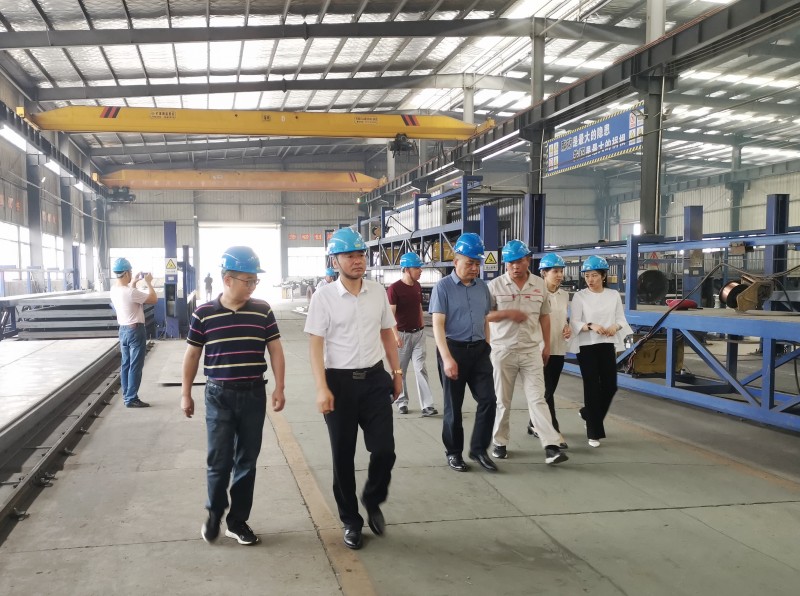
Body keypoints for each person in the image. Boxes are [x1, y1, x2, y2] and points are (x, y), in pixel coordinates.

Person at [181, 246, 286, 546]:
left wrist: (279, 387)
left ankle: (237, 522)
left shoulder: (262, 310)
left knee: (247, 461)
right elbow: (192, 355)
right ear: (227, 280)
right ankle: (214, 513)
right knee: (219, 460)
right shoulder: (203, 314)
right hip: (219, 396)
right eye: (247, 280)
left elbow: (275, 350)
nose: (252, 286)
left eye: (255, 281)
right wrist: (186, 393)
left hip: (254, 394)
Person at [305, 228, 402, 551]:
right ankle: (351, 520)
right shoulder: (323, 297)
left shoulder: (377, 292)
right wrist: (321, 388)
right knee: (343, 457)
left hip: (375, 380)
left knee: (385, 450)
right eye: (350, 255)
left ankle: (373, 498)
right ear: (335, 261)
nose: (358, 260)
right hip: (339, 384)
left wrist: (397, 372)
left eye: (361, 254)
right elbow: (315, 345)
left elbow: (387, 333)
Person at [486, 241, 567, 465]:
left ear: (528, 261)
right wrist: (507, 314)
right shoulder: (494, 286)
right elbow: (485, 315)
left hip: (531, 350)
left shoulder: (539, 285)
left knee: (538, 398)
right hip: (503, 351)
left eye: (519, 261)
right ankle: (500, 442)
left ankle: (551, 446)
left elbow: (544, 316)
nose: (514, 266)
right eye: (510, 262)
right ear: (505, 264)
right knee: (502, 400)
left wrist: (547, 345)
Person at [429, 232, 497, 473]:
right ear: (455, 261)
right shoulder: (443, 287)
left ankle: (479, 449)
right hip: (453, 350)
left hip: (479, 352)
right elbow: (438, 325)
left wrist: (487, 345)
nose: (475, 268)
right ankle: (454, 452)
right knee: (453, 406)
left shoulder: (482, 287)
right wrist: (447, 358)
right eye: (470, 263)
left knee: (489, 400)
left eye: (478, 264)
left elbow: (485, 318)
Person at [568, 255, 632, 448]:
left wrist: (615, 327)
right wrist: (591, 325)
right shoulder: (580, 296)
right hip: (586, 346)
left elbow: (621, 319)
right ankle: (593, 432)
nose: (590, 279)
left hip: (606, 344)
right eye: (587, 275)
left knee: (610, 386)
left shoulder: (613, 295)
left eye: (594, 275)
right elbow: (574, 321)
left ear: (603, 276)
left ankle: (588, 414)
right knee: (592, 387)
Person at [528, 253, 571, 447]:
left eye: (561, 271)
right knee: (546, 393)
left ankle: (533, 423)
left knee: (549, 390)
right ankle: (553, 432)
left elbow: (562, 318)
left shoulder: (564, 295)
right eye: (555, 271)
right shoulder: (535, 293)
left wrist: (567, 326)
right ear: (544, 273)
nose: (560, 275)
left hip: (558, 348)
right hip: (539, 349)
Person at [387, 252, 437, 417]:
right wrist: (395, 336)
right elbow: (390, 315)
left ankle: (427, 405)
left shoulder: (417, 286)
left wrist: (421, 327)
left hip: (418, 335)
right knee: (400, 370)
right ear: (407, 269)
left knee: (421, 368)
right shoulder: (394, 289)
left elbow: (418, 308)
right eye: (417, 268)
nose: (420, 271)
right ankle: (402, 402)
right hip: (401, 336)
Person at [110, 257, 157, 408]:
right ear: (125, 273)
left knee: (126, 364)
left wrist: (134, 282)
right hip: (135, 331)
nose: (131, 274)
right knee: (135, 365)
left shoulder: (114, 289)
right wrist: (149, 283)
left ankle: (126, 395)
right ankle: (131, 398)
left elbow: (129, 296)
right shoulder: (130, 292)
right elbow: (153, 299)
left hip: (123, 330)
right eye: (130, 272)